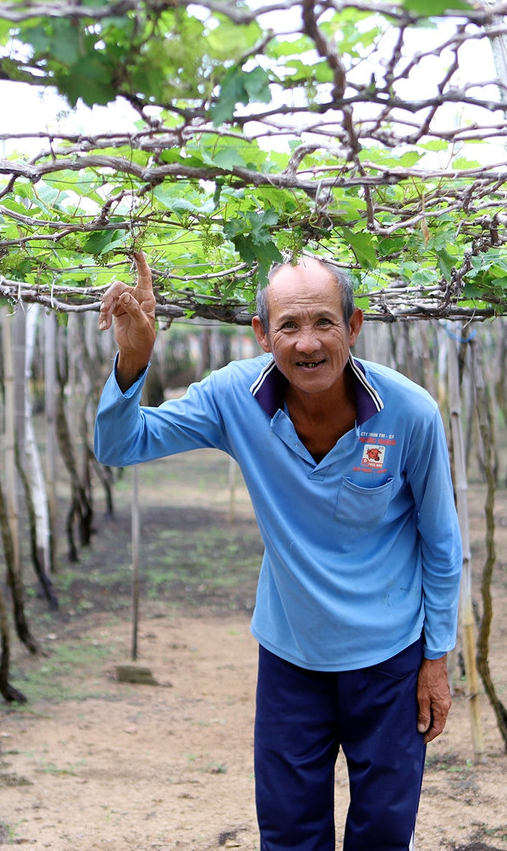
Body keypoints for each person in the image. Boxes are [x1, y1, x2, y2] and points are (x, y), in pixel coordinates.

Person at [94, 252, 461, 851]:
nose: (307, 343)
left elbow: (441, 541)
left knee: (385, 832)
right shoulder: (232, 397)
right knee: (289, 833)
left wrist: (436, 657)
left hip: (390, 658)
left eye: (324, 322)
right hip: (291, 658)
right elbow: (120, 444)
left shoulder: (409, 412)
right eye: (288, 325)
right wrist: (134, 360)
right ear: (263, 334)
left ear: (354, 326)